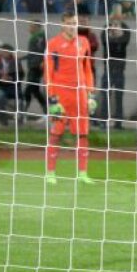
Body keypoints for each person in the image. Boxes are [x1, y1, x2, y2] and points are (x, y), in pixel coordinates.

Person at [44, 10, 96, 184]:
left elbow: (87, 69)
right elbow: (48, 73)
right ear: (62, 24)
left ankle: (83, 173)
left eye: (74, 23)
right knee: (56, 134)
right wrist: (52, 98)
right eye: (68, 23)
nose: (72, 26)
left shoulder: (84, 42)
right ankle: (50, 173)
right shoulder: (53, 44)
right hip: (61, 96)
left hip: (80, 96)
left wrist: (90, 95)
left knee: (82, 135)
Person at [101, 15, 130, 129]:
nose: (114, 27)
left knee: (119, 98)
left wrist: (120, 24)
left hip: (119, 72)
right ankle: (103, 122)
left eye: (117, 25)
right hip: (107, 71)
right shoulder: (106, 35)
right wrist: (110, 26)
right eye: (112, 25)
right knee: (105, 98)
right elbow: (105, 39)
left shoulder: (124, 36)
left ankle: (118, 123)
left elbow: (125, 37)